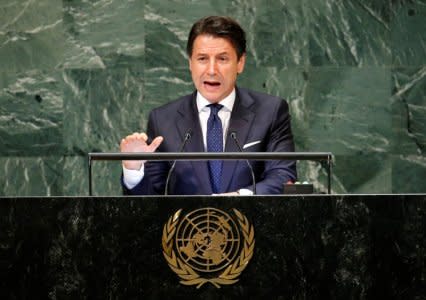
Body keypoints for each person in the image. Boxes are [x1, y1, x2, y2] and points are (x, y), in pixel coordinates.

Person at [120, 16, 297, 195]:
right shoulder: (163, 119)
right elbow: (151, 201)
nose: (212, 70)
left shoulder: (270, 111)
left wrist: (239, 198)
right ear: (190, 63)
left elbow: (283, 175)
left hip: (252, 221)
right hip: (187, 223)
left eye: (222, 59)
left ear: (240, 63)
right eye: (202, 59)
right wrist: (133, 169)